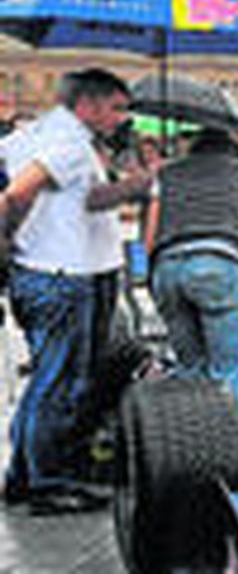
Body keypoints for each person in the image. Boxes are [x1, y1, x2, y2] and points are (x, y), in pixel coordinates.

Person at [0, 68, 135, 513]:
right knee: (59, 383)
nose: (120, 118)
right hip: (60, 274)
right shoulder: (69, 142)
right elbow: (17, 195)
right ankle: (46, 483)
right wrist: (7, 239)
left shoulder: (37, 133)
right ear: (88, 105)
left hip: (51, 270)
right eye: (115, 108)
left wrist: (137, 182)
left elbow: (86, 201)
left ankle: (25, 477)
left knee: (48, 378)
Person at [146, 120, 238, 409]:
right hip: (219, 265)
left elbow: (151, 234)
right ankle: (225, 447)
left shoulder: (166, 175)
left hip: (168, 268)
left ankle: (190, 443)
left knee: (189, 369)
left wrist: (155, 279)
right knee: (228, 373)